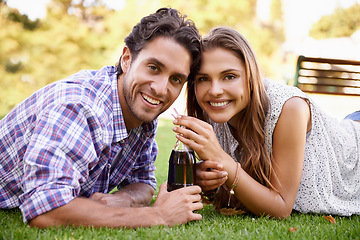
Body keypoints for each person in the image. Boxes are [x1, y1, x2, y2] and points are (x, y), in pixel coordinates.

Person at [0, 8, 203, 228]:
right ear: (127, 59)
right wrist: (159, 216)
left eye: (175, 79)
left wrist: (119, 200)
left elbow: (143, 182)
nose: (161, 89)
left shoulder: (141, 113)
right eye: (153, 68)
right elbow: (47, 211)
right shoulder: (78, 107)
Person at [172, 26, 360, 219]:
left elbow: (280, 209)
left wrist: (221, 158)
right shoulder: (214, 112)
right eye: (203, 78)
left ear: (251, 77)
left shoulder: (290, 107)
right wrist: (200, 177)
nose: (215, 90)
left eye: (229, 76)